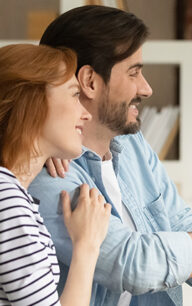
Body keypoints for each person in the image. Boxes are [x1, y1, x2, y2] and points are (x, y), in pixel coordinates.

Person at [28, 5, 192, 306]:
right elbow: (132, 263)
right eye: (134, 72)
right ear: (90, 81)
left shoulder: (132, 145)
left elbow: (182, 229)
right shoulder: (47, 170)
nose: (147, 88)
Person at [0, 44, 111, 305]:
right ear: (32, 101)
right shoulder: (7, 200)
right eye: (74, 94)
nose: (85, 113)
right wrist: (87, 244)